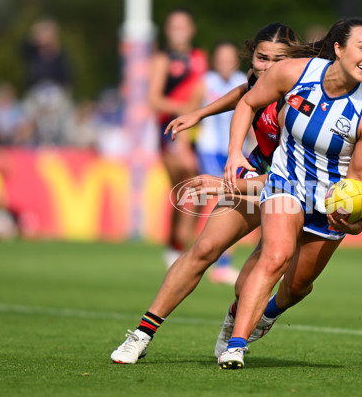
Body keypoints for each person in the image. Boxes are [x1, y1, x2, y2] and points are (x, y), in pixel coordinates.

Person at [110, 23, 298, 364]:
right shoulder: (258, 80)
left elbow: (287, 179)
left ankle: (236, 321)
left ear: (293, 60)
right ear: (251, 56)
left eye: (278, 59)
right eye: (261, 58)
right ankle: (141, 334)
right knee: (204, 249)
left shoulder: (300, 97)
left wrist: (225, 183)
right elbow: (244, 92)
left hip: (293, 186)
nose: (267, 67)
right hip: (261, 174)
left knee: (282, 282)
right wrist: (198, 112)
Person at [215, 17, 362, 369]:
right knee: (276, 256)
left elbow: (358, 182)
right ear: (338, 49)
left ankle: (268, 313)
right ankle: (236, 344)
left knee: (297, 287)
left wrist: (352, 222)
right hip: (284, 181)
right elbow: (247, 103)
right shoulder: (296, 72)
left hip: (327, 200)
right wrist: (234, 153)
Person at [150, 9, 208, 268]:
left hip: (196, 130)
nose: (178, 31)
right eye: (173, 26)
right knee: (185, 179)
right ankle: (177, 242)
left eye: (182, 25)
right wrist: (183, 109)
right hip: (171, 128)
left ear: (191, 29)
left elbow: (204, 91)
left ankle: (178, 243)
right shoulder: (162, 60)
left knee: (195, 189)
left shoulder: (199, 59)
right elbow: (153, 99)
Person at [195, 41, 247, 284]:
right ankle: (217, 262)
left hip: (236, 152)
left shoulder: (243, 82)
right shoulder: (205, 83)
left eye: (230, 58)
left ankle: (220, 261)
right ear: (215, 61)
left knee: (235, 201)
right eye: (221, 58)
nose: (226, 63)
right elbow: (191, 111)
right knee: (226, 201)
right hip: (209, 149)